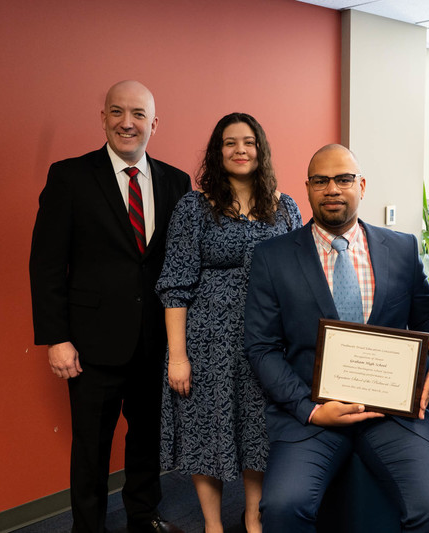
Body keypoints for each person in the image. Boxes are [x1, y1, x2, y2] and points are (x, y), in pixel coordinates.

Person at [243, 144, 429, 533]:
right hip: (312, 412)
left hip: (392, 411)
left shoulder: (400, 248)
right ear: (308, 188)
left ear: (361, 186)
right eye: (321, 180)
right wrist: (310, 409)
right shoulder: (272, 257)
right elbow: (261, 348)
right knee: (281, 507)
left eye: (343, 179)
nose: (333, 189)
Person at [29, 80, 191, 533]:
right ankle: (89, 527)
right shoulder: (70, 177)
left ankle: (143, 517)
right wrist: (56, 338)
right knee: (91, 449)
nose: (127, 122)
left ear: (154, 124)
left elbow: (179, 265)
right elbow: (45, 264)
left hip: (155, 344)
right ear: (102, 118)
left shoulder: (177, 182)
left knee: (147, 441)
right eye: (117, 112)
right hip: (91, 346)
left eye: (138, 114)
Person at [155, 113, 302, 533]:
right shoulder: (194, 207)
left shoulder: (285, 206)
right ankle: (213, 524)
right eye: (230, 143)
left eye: (249, 142)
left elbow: (301, 275)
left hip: (268, 339)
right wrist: (178, 357)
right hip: (207, 341)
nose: (240, 150)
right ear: (218, 152)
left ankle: (253, 516)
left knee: (259, 430)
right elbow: (175, 286)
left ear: (261, 149)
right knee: (207, 430)